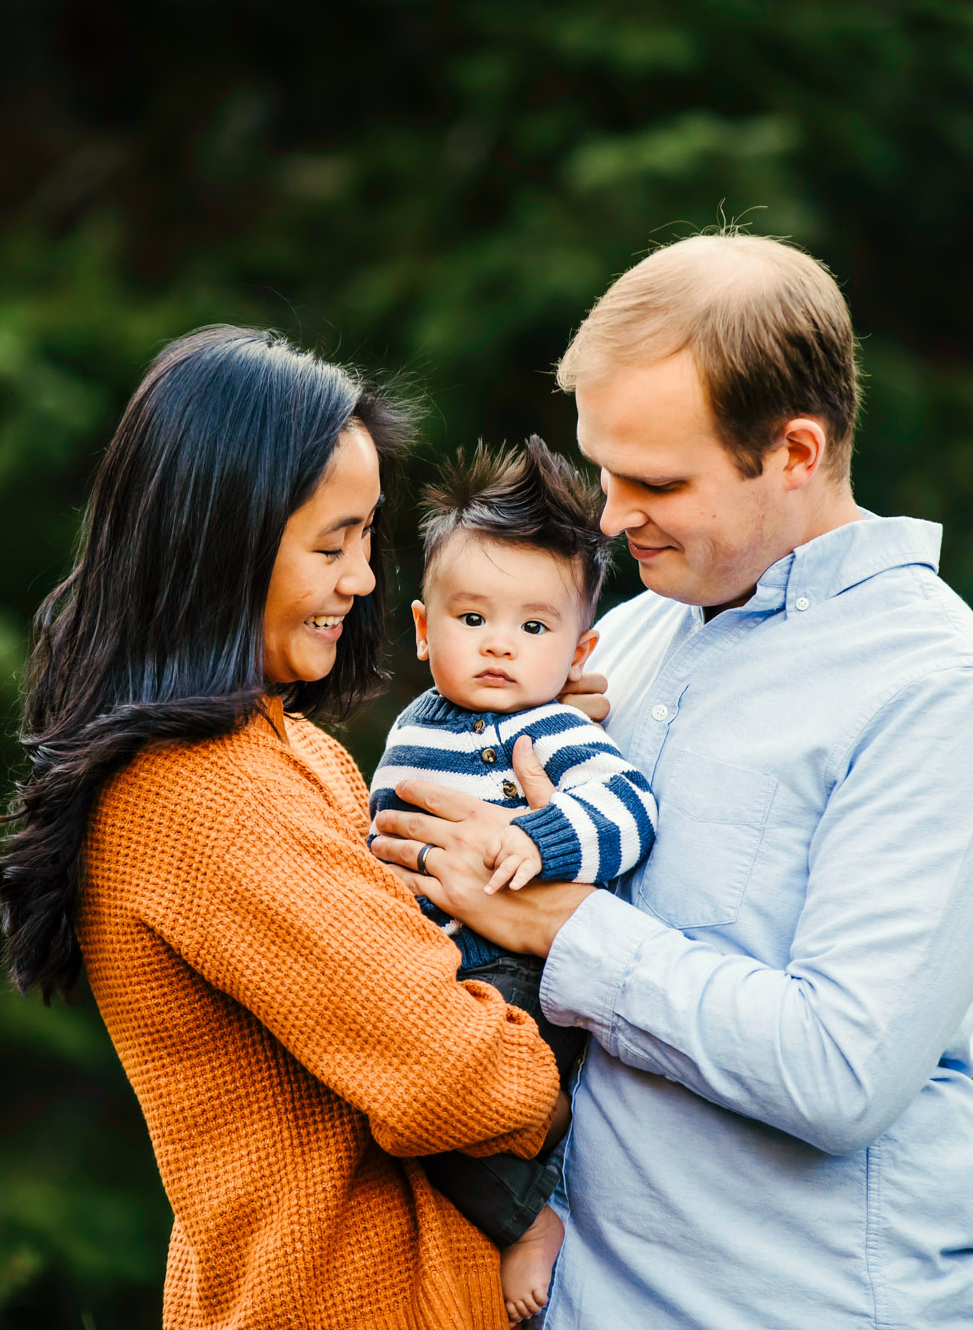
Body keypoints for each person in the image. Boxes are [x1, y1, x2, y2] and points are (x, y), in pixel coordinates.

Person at [370, 234, 973, 1328]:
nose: (605, 514)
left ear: (792, 451)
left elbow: (839, 1070)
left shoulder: (935, 691)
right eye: (603, 468)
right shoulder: (625, 640)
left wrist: (563, 923)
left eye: (654, 481)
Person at [0, 326, 564, 1330]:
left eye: (365, 537)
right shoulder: (206, 793)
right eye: (328, 542)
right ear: (224, 541)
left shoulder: (280, 753)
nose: (364, 579)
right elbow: (452, 1076)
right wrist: (556, 1054)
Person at [366, 436, 658, 1323]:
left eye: (534, 627)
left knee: (433, 1096)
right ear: (424, 629)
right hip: (430, 967)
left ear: (578, 647)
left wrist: (543, 838)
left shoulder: (553, 728)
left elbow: (630, 809)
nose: (500, 647)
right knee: (394, 1095)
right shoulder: (417, 724)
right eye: (472, 620)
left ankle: (527, 1219)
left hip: (514, 969)